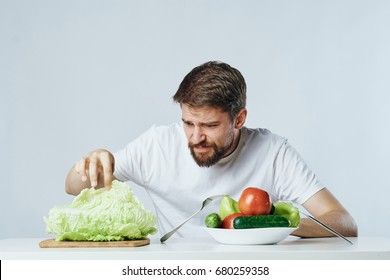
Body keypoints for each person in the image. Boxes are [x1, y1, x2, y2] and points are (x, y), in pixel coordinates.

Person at [65, 61, 358, 238]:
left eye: (209, 125)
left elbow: (344, 222)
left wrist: (273, 227)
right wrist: (96, 160)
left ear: (239, 118)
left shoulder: (272, 152)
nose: (195, 137)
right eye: (187, 123)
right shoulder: (157, 145)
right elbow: (72, 186)